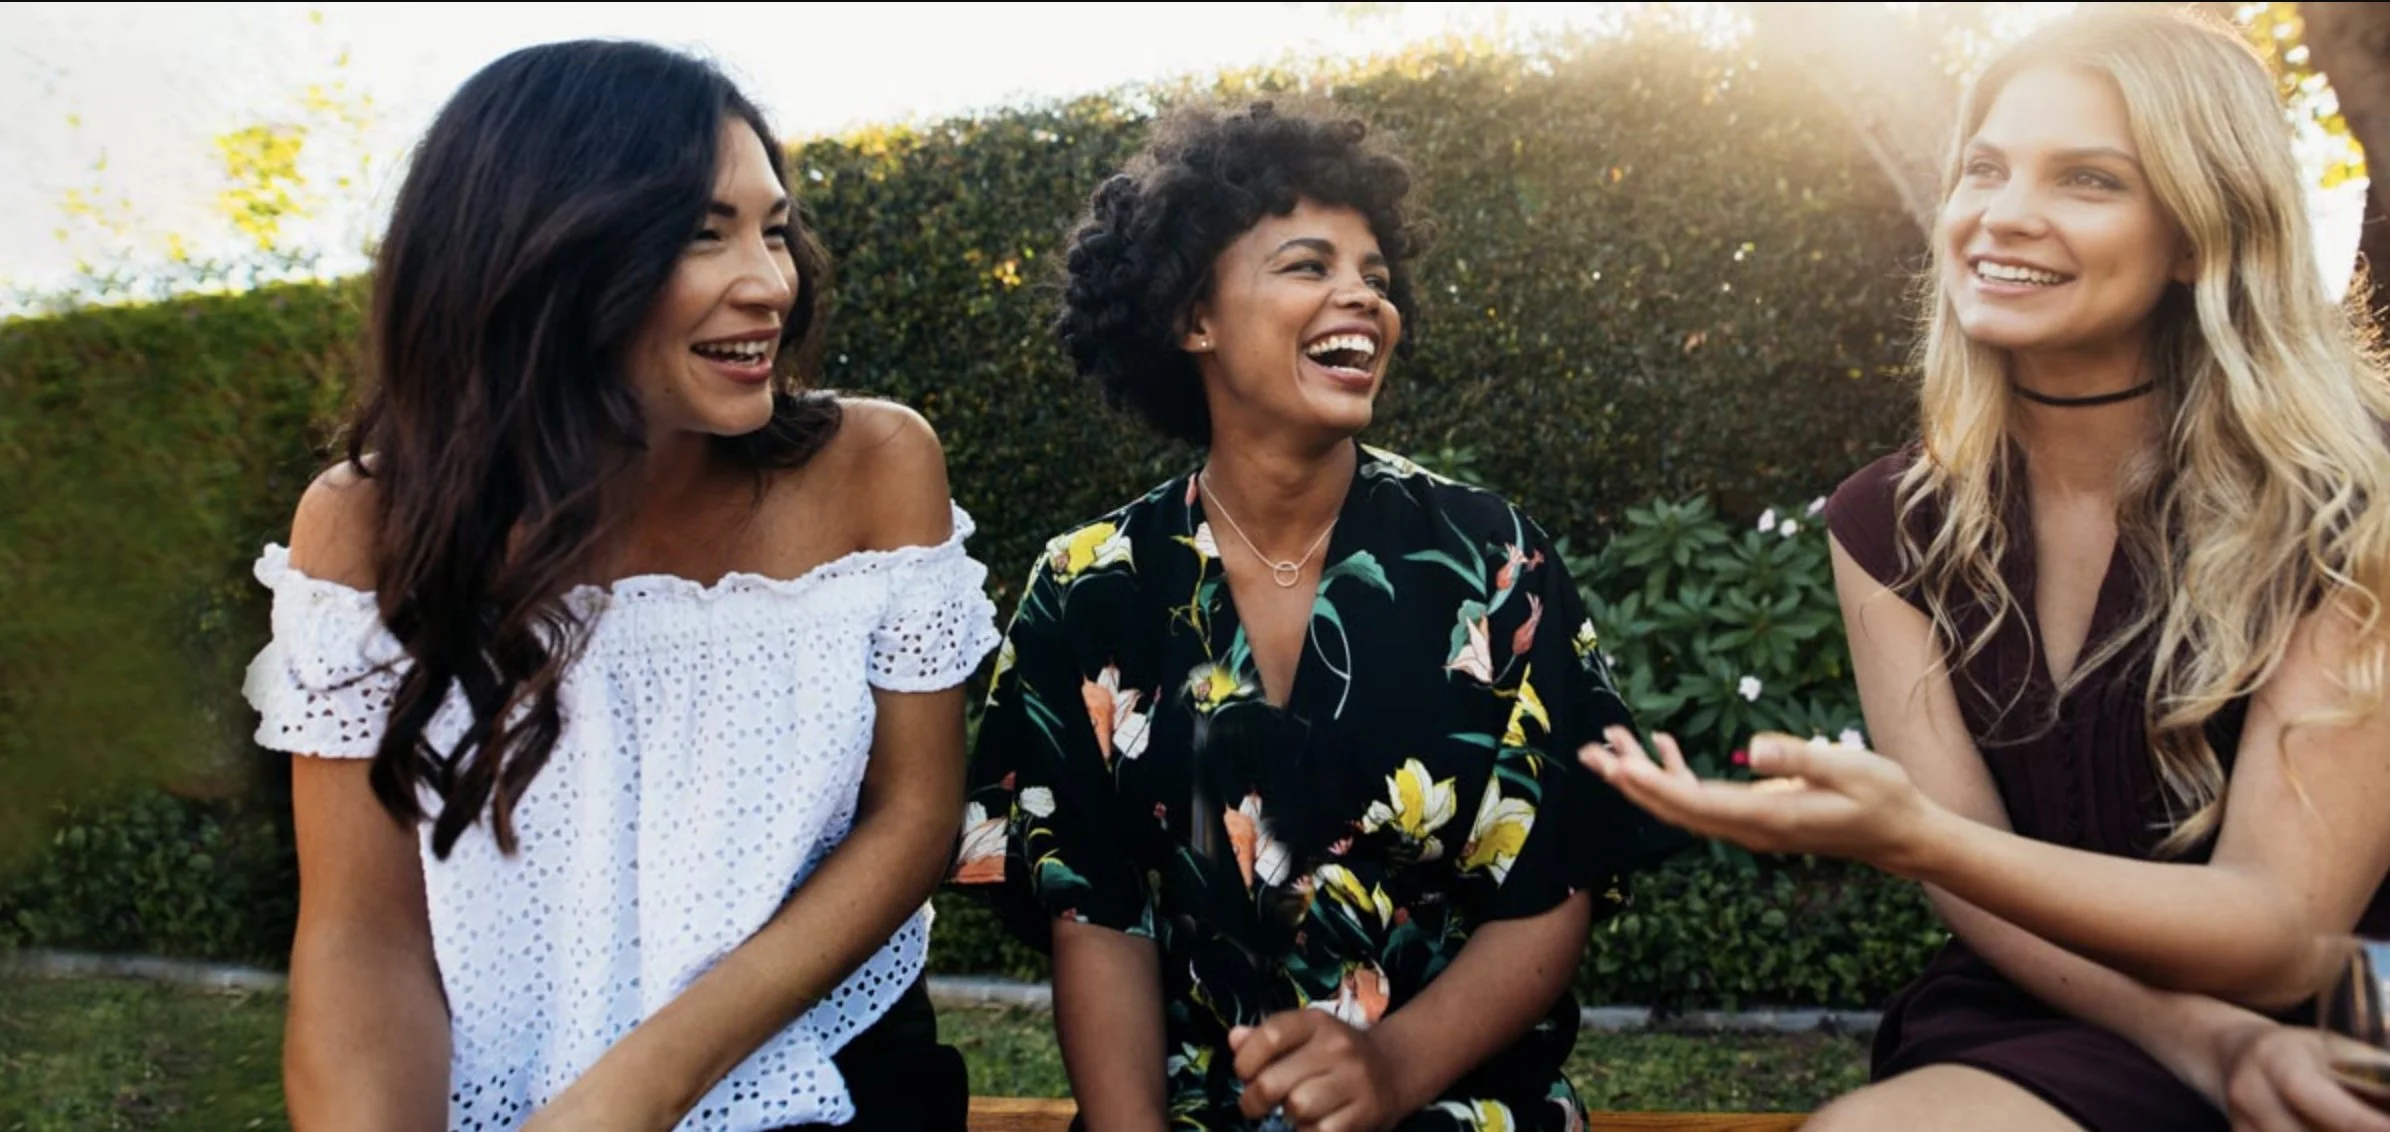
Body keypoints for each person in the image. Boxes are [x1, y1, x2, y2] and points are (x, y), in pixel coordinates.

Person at [1576, 9, 2390, 1131]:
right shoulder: (1885, 521)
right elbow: (1975, 883)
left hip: (2333, 1020)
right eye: (1983, 169)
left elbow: (2280, 931)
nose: (2003, 215)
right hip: (2053, 1000)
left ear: (2200, 232)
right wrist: (2199, 1039)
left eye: (2087, 179)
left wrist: (1912, 836)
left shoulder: (2350, 502)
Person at [248, 40, 997, 1132]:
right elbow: (363, 937)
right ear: (539, 255)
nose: (771, 282)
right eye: (703, 234)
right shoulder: (360, 526)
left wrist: (635, 1090)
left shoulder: (874, 466)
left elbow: (914, 816)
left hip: (824, 1082)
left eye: (774, 227)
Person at [951, 101, 1680, 1132]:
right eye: (1307, 265)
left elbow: (1553, 881)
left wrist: (1389, 1069)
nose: (1360, 297)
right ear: (1189, 317)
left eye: (1375, 277)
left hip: (1453, 1105)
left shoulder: (1490, 560)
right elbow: (1094, 913)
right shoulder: (1087, 587)